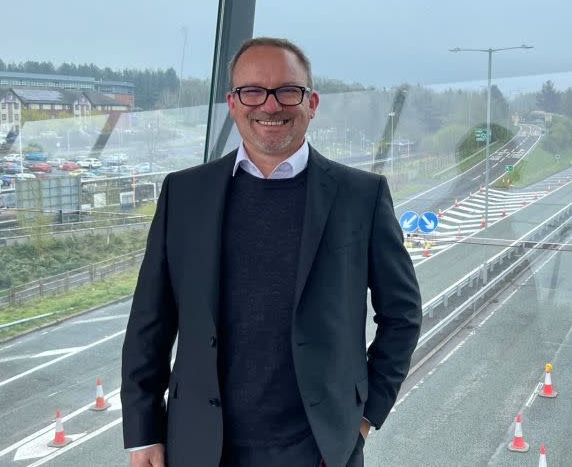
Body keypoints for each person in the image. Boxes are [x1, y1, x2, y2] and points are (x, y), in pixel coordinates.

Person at [121, 37, 422, 467]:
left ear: (311, 102)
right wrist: (143, 432)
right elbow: (150, 322)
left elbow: (402, 314)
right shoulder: (184, 193)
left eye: (287, 90)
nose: (269, 105)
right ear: (231, 101)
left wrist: (364, 418)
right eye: (252, 91)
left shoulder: (362, 196)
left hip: (318, 451)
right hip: (199, 447)